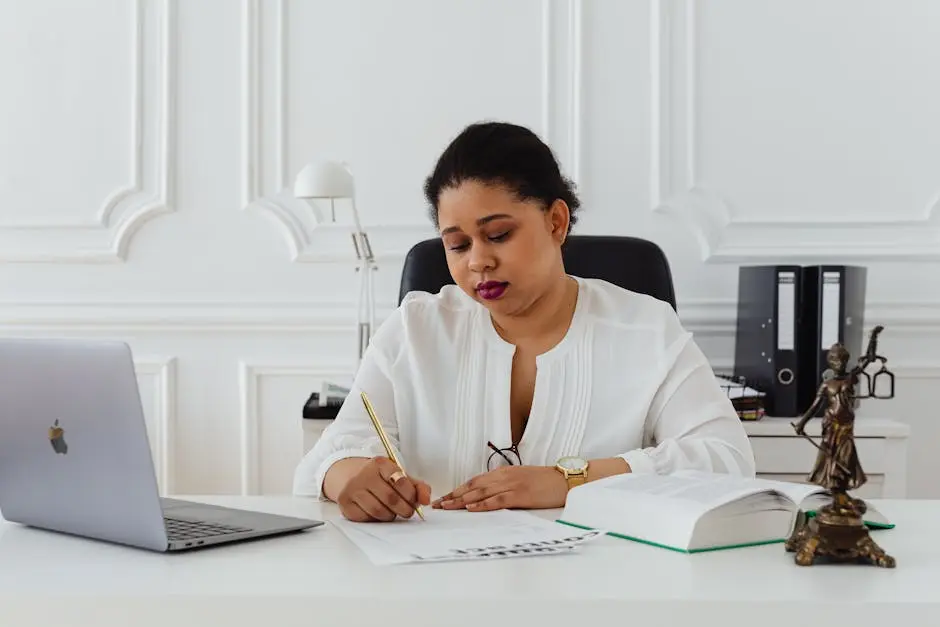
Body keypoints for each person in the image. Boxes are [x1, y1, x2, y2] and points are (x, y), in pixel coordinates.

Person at [292, 121, 756, 522]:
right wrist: (350, 478)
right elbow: (328, 458)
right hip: (436, 588)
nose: (478, 262)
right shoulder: (414, 330)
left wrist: (570, 479)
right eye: (457, 245)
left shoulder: (647, 330)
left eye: (498, 235)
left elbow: (727, 460)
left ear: (556, 222)